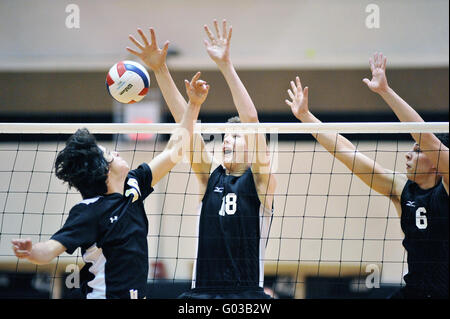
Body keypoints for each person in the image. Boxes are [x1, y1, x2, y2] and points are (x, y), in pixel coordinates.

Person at [11, 73, 209, 299]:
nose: (115, 152)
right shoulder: (89, 211)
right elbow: (51, 249)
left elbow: (176, 150)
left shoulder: (133, 186)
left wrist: (193, 104)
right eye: (109, 154)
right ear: (104, 171)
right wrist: (31, 251)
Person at [127, 20, 276, 299]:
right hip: (201, 295)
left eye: (236, 136)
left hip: (246, 296)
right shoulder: (210, 176)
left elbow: (252, 121)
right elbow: (188, 129)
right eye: (226, 136)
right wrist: (160, 69)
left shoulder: (261, 181)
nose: (228, 140)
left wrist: (225, 65)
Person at [285, 52, 448, 299]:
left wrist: (385, 91)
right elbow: (346, 152)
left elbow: (424, 136)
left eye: (417, 151)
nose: (408, 155)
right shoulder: (401, 188)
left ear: (436, 162)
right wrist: (307, 118)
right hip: (414, 292)